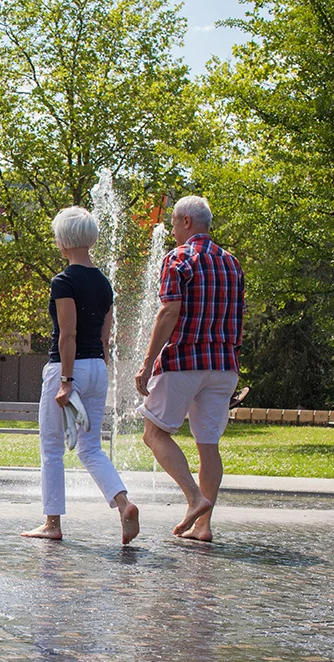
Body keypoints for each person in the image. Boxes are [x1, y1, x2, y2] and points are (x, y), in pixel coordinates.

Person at [22, 206, 140, 545]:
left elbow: (67, 334)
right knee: (91, 448)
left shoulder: (64, 281)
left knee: (51, 448)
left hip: (67, 368)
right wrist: (95, 371)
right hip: (98, 367)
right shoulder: (104, 282)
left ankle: (52, 523)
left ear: (63, 240)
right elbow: (105, 335)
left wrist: (66, 380)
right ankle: (123, 504)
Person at [134, 196, 244, 542]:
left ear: (185, 222)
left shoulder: (179, 258)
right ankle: (203, 527)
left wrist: (147, 362)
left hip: (184, 361)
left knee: (154, 434)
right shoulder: (232, 262)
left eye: (173, 224)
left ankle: (195, 498)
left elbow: (169, 312)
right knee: (208, 445)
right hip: (223, 365)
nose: (172, 232)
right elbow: (239, 318)